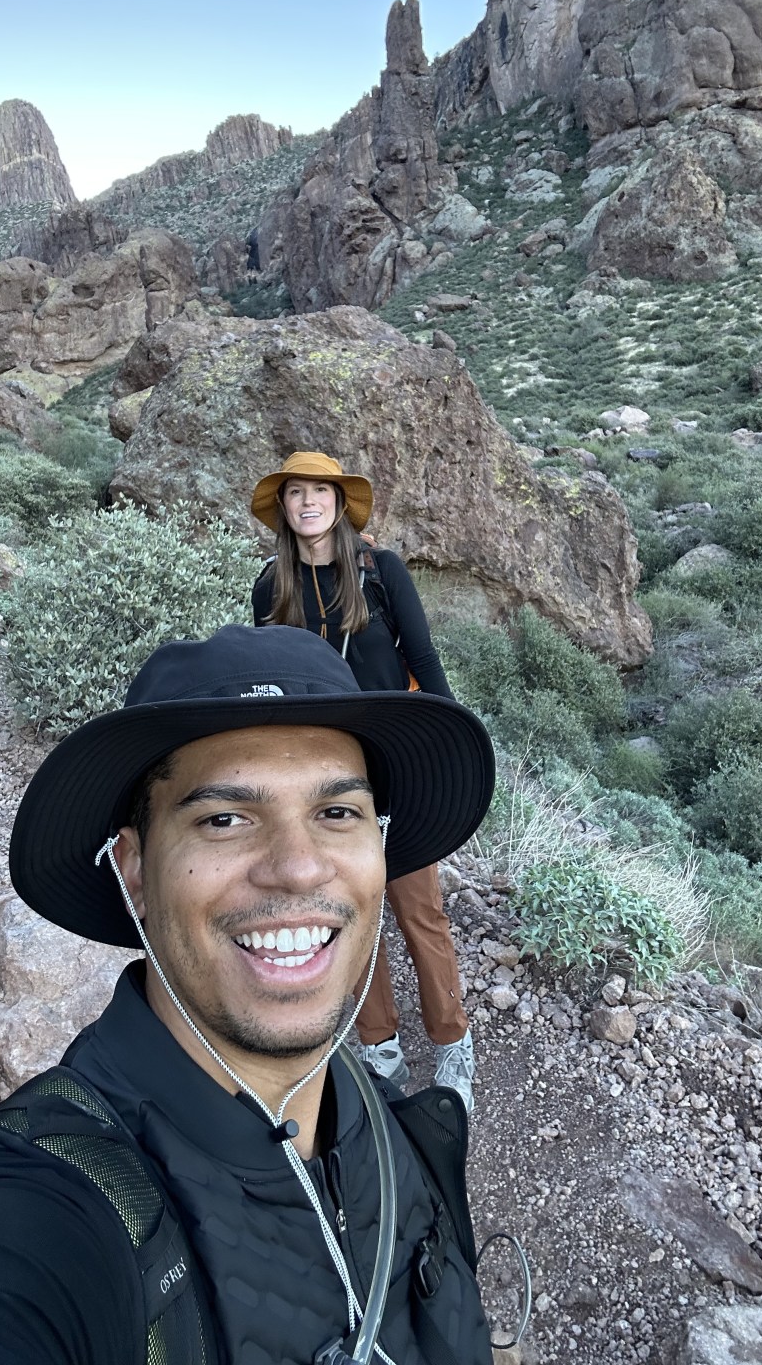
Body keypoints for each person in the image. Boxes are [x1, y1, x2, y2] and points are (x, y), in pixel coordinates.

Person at [0, 624, 497, 1365]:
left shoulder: (390, 1121)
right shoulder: (39, 1211)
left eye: (338, 813)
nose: (300, 869)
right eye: (224, 819)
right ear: (135, 870)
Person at [250, 452, 477, 1111]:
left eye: (320, 491)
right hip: (321, 782)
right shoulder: (272, 587)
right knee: (351, 916)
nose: (308, 503)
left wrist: (451, 747)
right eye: (296, 493)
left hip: (400, 766)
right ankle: (380, 1047)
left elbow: (424, 660)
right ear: (285, 509)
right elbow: (270, 683)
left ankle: (451, 1042)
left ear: (340, 503)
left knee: (419, 911)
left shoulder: (382, 572)